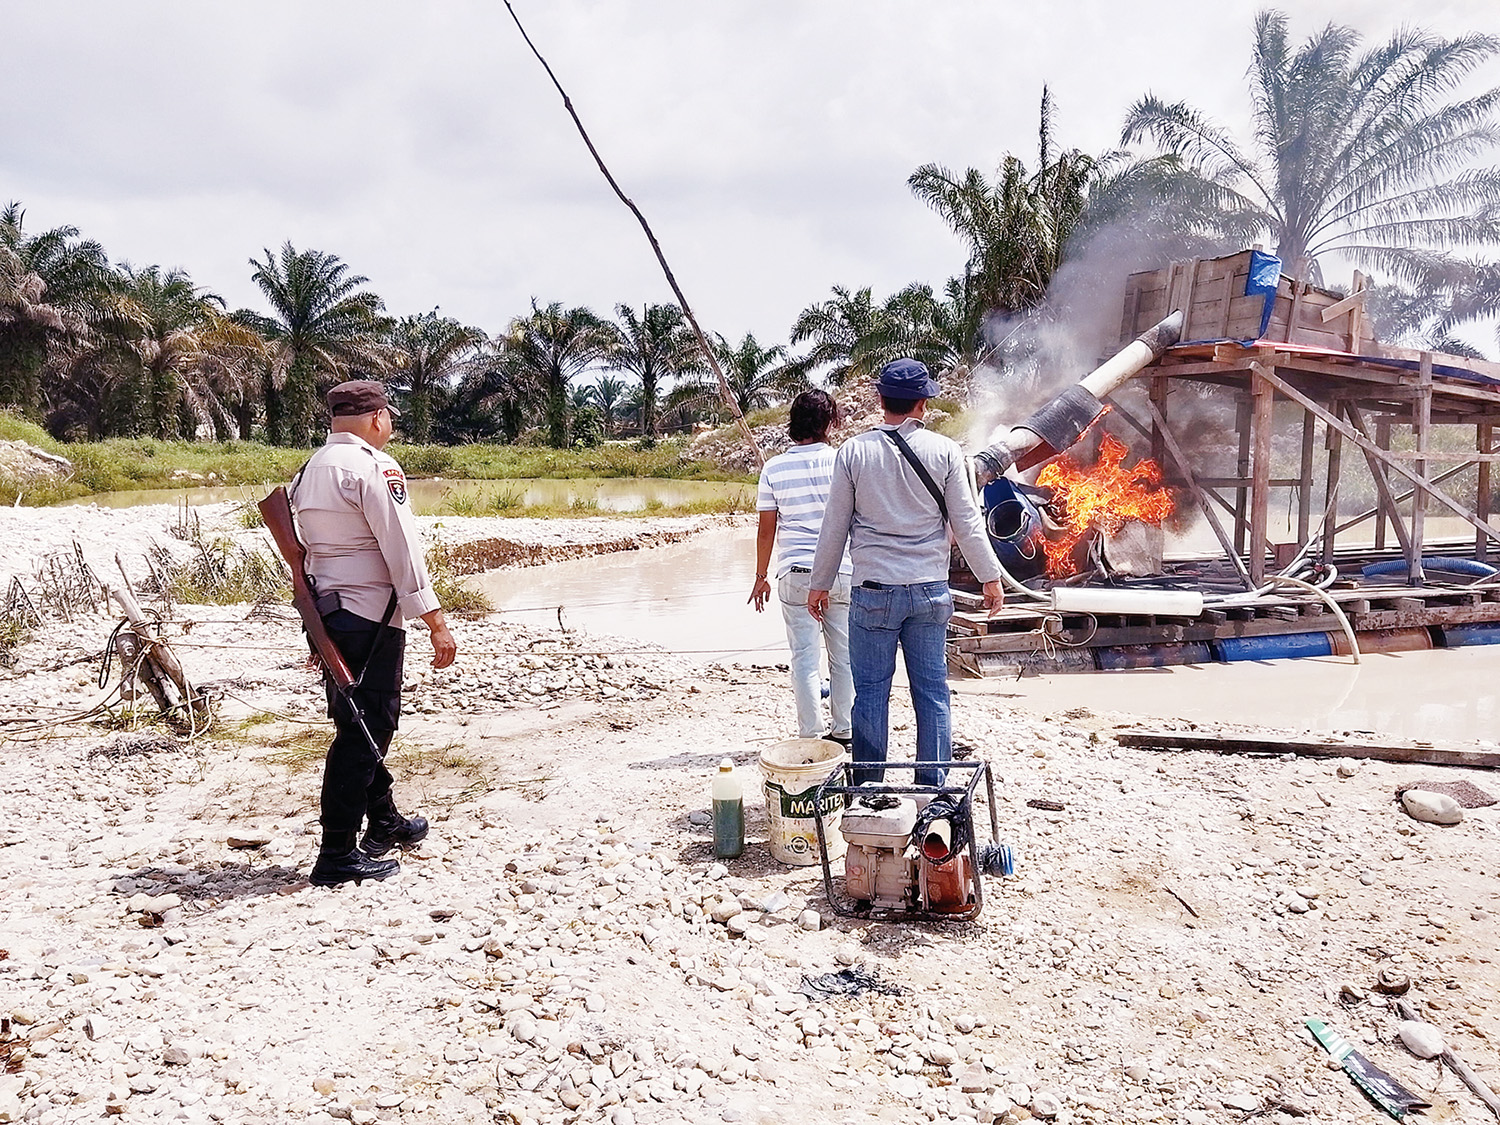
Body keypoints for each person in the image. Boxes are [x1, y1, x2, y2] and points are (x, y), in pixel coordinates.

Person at [290, 379, 458, 887]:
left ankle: (384, 822)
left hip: (328, 618)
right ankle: (337, 853)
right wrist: (434, 618)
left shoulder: (307, 471)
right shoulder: (373, 466)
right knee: (368, 732)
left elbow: (303, 550)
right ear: (378, 418)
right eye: (390, 416)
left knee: (357, 723)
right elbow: (402, 547)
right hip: (371, 614)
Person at [807, 359, 1003, 786]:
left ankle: (870, 788)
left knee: (871, 693)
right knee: (932, 693)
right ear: (923, 403)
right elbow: (967, 523)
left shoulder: (853, 452)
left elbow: (834, 525)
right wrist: (990, 578)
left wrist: (819, 584)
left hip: (873, 592)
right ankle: (932, 789)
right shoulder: (946, 451)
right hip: (930, 593)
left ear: (880, 401)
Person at [748, 390, 852, 745]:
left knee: (805, 659)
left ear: (794, 423)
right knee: (844, 658)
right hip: (842, 571)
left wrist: (761, 577)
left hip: (795, 574)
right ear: (828, 423)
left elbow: (766, 530)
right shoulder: (843, 461)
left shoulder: (774, 468)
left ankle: (811, 736)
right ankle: (845, 731)